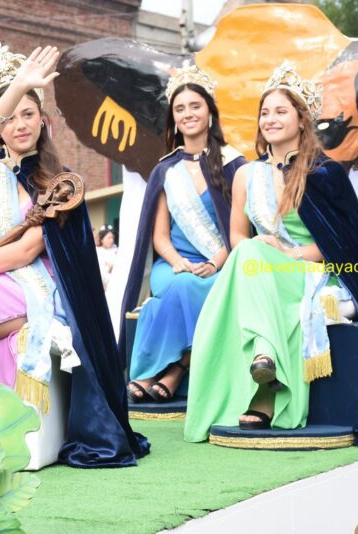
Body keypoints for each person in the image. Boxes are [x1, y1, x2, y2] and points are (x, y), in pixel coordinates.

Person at [183, 62, 358, 445]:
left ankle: (265, 385)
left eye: (280, 111)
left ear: (301, 120)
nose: (270, 120)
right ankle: (264, 362)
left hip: (313, 273)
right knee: (248, 254)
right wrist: (261, 250)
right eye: (265, 112)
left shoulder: (323, 172)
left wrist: (287, 253)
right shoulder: (245, 174)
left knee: (250, 262)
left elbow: (342, 243)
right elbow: (238, 236)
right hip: (259, 270)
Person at [0, 40, 148, 467]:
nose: (20, 125)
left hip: (32, 289)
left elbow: (26, 251)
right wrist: (18, 85)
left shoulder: (58, 183)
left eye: (29, 114)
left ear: (43, 122)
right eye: (11, 117)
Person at [121, 62, 247, 403]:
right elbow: (160, 235)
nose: (188, 114)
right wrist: (178, 262)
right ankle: (177, 367)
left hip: (222, 263)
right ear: (173, 118)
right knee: (180, 284)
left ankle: (171, 370)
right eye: (180, 109)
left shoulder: (235, 165)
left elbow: (241, 229)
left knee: (194, 291)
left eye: (195, 106)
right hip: (173, 265)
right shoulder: (166, 170)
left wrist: (216, 262)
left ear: (210, 112)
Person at [96, 225, 118, 290]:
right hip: (106, 286)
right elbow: (101, 272)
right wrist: (109, 268)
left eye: (112, 238)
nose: (111, 240)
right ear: (102, 239)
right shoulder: (98, 251)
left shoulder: (116, 249)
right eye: (109, 238)